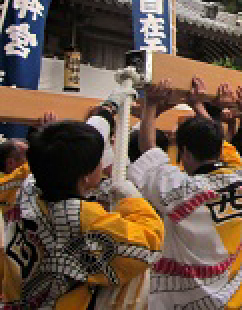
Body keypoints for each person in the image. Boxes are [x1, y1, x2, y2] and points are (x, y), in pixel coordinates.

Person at [1, 120, 164, 309]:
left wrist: (106, 112)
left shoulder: (26, 190)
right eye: (99, 161)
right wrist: (132, 200)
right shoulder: (83, 220)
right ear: (86, 175)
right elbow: (150, 242)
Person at [129, 79, 242, 309]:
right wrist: (198, 105)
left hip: (189, 299)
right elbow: (222, 146)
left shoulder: (178, 189)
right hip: (240, 299)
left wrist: (151, 105)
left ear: (185, 153)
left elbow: (148, 148)